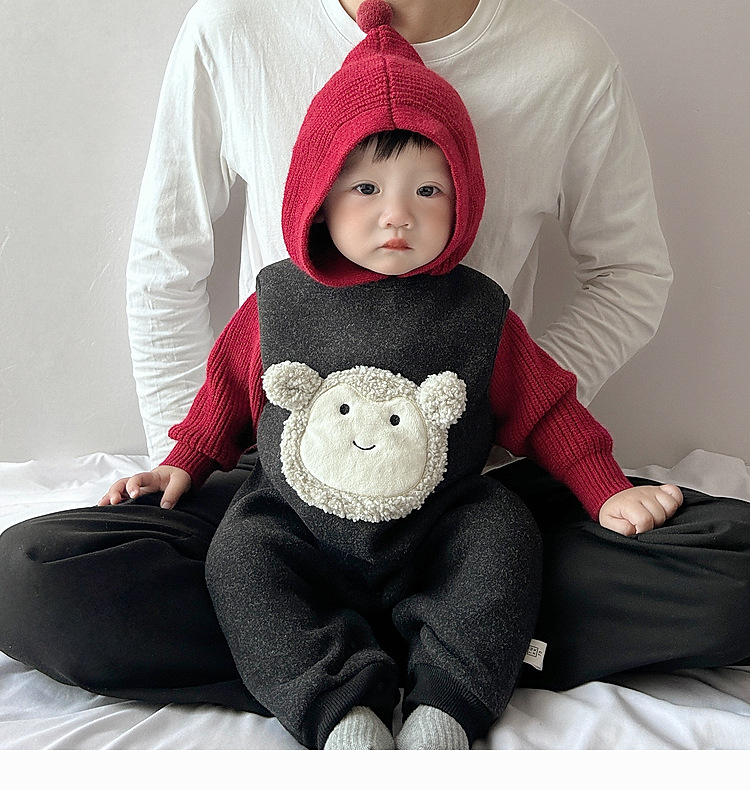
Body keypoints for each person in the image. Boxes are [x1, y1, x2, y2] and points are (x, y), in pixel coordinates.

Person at [1, 0, 750, 745]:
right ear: (318, 197)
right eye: (365, 189)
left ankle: (427, 666)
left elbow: (557, 393)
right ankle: (388, 660)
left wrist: (586, 478)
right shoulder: (234, 42)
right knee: (32, 578)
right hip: (286, 500)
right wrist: (183, 464)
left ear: (462, 196)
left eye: (428, 191)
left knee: (721, 574)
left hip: (462, 501)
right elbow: (211, 363)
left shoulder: (557, 78)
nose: (397, 215)